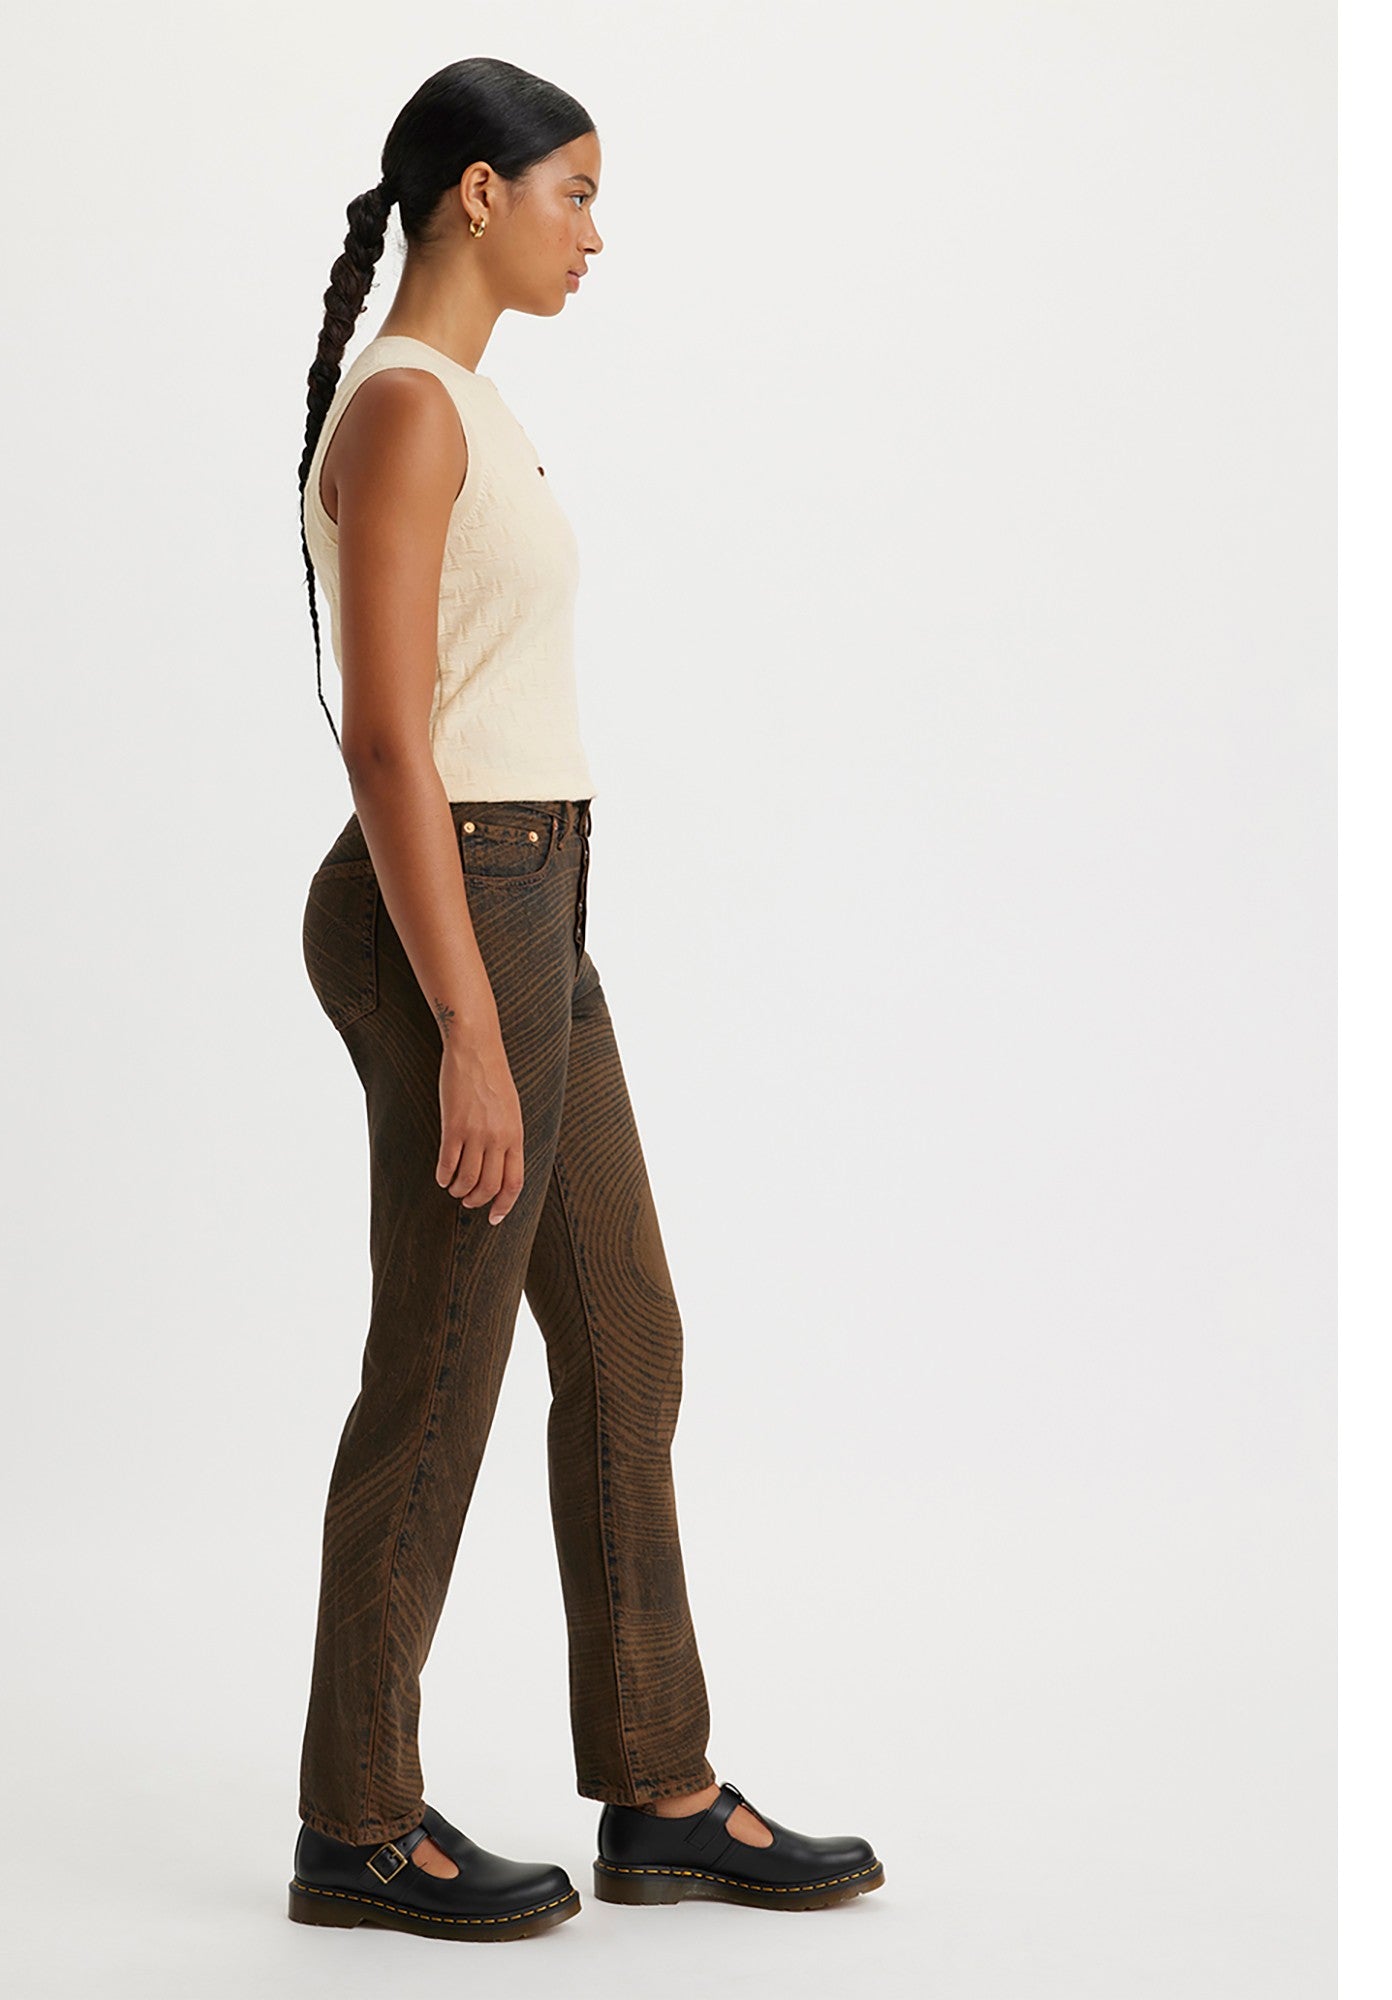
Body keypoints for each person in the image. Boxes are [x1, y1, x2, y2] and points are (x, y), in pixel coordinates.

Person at [281, 59, 884, 1944]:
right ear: (478, 192)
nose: (595, 234)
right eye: (576, 194)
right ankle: (354, 1823)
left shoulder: (466, 404)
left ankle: (659, 1790)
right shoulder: (405, 407)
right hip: (458, 909)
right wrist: (468, 1021)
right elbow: (388, 739)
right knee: (441, 1365)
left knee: (624, 1334)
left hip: (531, 899)